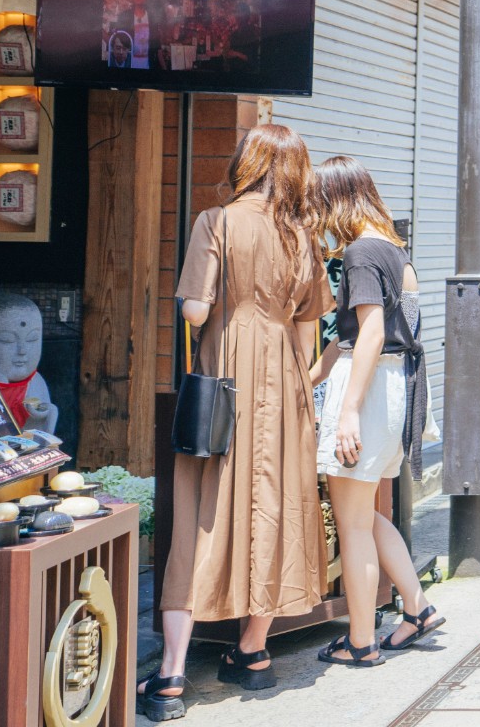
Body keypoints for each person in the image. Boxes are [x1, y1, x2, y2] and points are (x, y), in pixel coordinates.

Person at [139, 125, 335, 721]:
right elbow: (310, 334)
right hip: (287, 389)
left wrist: (214, 309)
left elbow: (196, 310)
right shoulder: (304, 235)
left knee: (201, 515)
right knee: (277, 510)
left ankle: (171, 677)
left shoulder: (215, 222)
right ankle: (252, 653)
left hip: (223, 384)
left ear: (246, 162)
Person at [308, 157, 444, 667]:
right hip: (397, 390)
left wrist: (346, 412)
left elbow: (368, 333)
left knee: (354, 525)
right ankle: (418, 607)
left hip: (369, 392)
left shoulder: (361, 253)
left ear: (335, 201)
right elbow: (364, 333)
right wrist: (314, 376)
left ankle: (360, 641)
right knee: (369, 514)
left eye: (318, 204)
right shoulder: (393, 249)